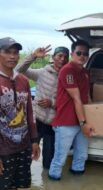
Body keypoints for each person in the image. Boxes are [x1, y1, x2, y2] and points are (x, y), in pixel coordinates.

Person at [15, 46, 69, 169]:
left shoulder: (67, 77)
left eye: (65, 57)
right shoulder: (42, 73)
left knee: (48, 162)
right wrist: (33, 56)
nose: (62, 59)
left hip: (52, 124)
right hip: (36, 121)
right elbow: (18, 70)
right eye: (59, 55)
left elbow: (68, 102)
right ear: (53, 57)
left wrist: (52, 103)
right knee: (26, 155)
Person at [48, 40, 94, 180]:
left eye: (85, 54)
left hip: (82, 121)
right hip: (66, 122)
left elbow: (87, 97)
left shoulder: (85, 72)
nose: (82, 56)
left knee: (81, 156)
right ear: (72, 53)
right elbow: (77, 98)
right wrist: (83, 123)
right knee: (60, 158)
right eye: (79, 53)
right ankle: (53, 181)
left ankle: (77, 180)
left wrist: (93, 117)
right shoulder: (67, 70)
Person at [0, 37, 40, 189]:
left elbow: (30, 112)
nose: (12, 56)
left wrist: (35, 140)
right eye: (7, 52)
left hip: (23, 146)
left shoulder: (23, 80)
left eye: (15, 53)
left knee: (18, 185)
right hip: (3, 150)